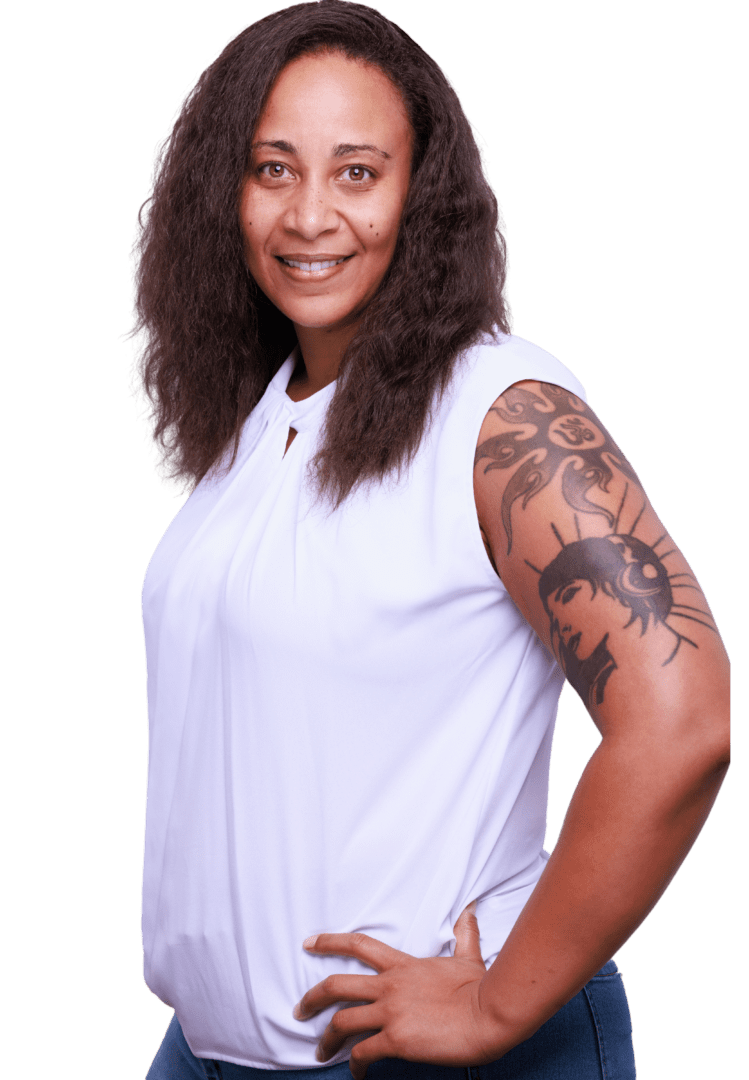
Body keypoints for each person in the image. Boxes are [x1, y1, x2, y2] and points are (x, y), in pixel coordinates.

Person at [125, 3, 730, 1078]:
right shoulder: (261, 426)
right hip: (212, 1059)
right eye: (273, 168)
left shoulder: (495, 408)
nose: (310, 213)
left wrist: (498, 1005)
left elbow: (679, 716)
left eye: (356, 172)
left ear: (422, 195)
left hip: (433, 1059)